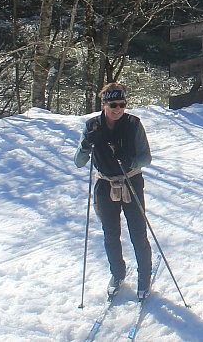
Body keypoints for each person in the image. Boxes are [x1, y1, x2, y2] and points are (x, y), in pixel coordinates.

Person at [75, 82, 153, 298]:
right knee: (110, 233)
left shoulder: (133, 124)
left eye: (122, 104)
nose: (118, 109)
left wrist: (130, 162)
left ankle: (144, 276)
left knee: (138, 232)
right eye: (113, 104)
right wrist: (86, 145)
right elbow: (79, 162)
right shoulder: (92, 126)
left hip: (131, 181)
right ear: (104, 104)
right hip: (105, 184)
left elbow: (146, 158)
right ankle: (117, 273)